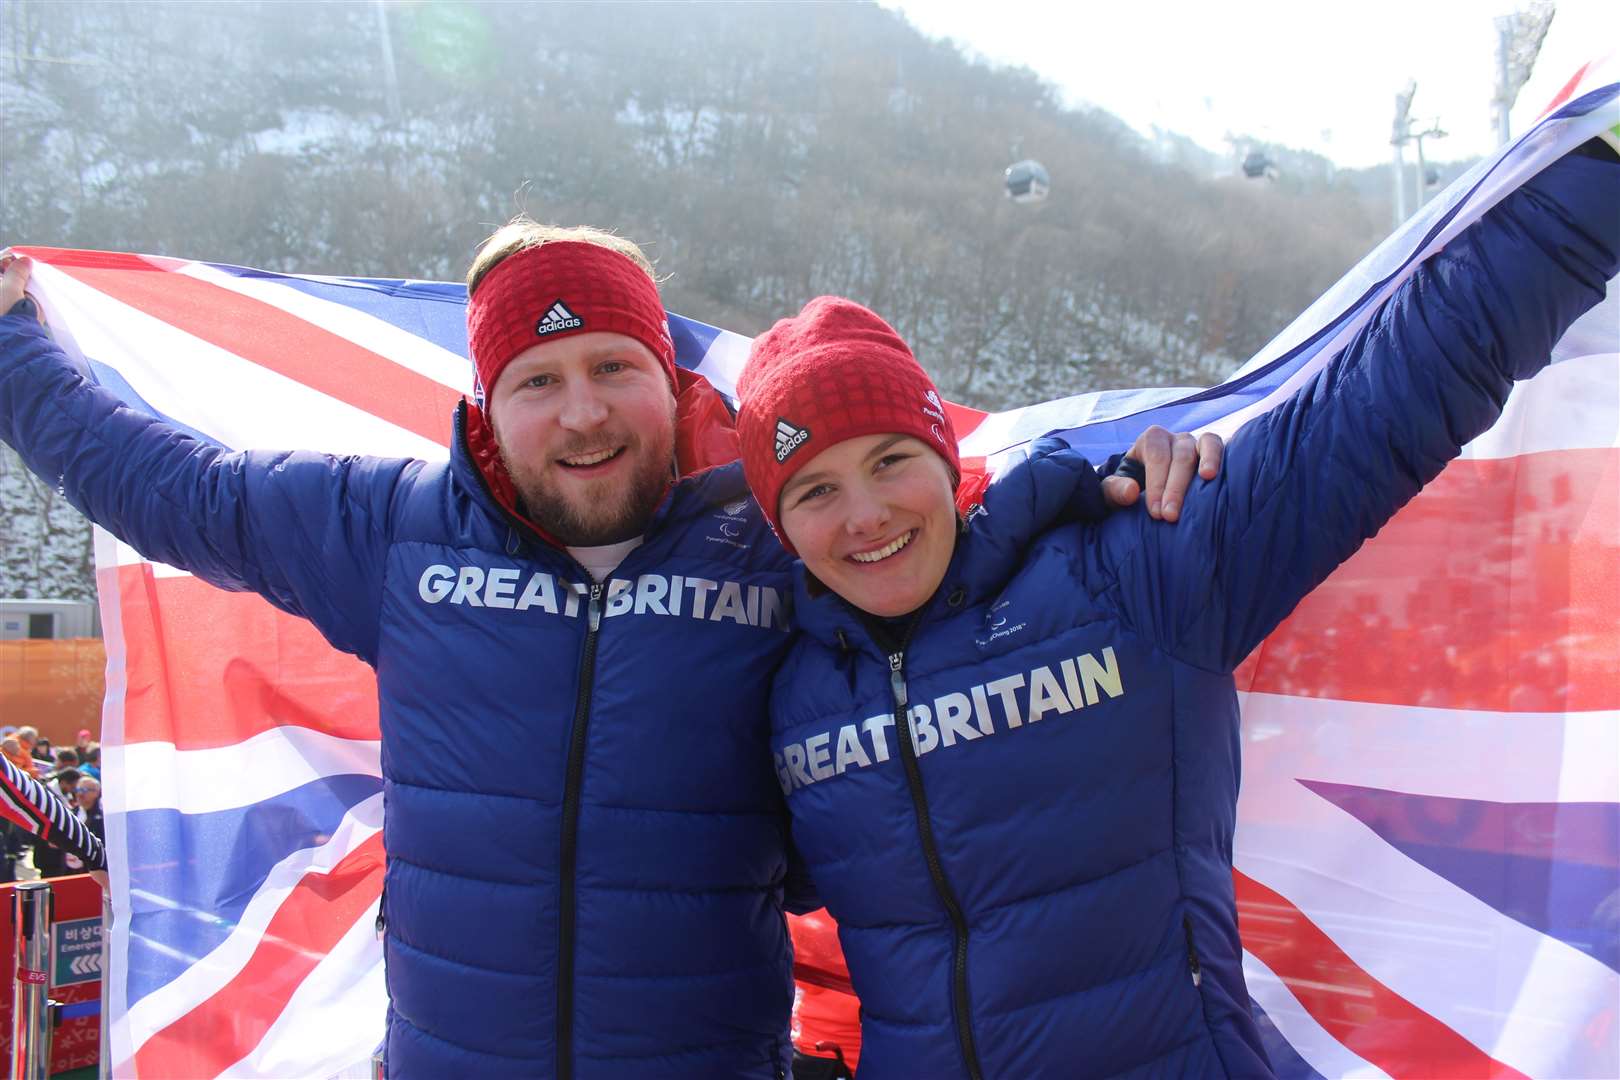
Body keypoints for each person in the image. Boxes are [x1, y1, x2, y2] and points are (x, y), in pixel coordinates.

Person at [0, 226, 1215, 1078]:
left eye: (612, 368)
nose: (581, 411)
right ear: (485, 403)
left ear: (668, 380)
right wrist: (8, 345)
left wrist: (1097, 487)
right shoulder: (385, 531)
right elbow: (162, 482)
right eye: (538, 379)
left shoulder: (767, 530)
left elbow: (930, 535)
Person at [732, 144, 1619, 1078]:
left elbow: (1384, 400)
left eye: (888, 462)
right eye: (815, 491)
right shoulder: (785, 688)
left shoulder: (1132, 572)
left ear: (947, 463)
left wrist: (1596, 171)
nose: (866, 516)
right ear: (782, 528)